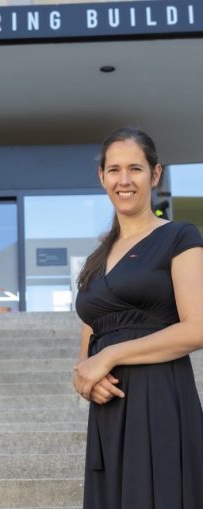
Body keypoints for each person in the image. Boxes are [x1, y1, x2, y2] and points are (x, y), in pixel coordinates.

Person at [73, 127, 203, 508]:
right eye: (114, 170)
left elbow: (197, 328)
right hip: (109, 409)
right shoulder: (97, 258)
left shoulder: (180, 236)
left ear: (155, 174)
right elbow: (89, 345)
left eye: (135, 169)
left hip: (160, 396)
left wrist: (110, 357)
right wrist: (85, 379)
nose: (124, 180)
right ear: (102, 177)